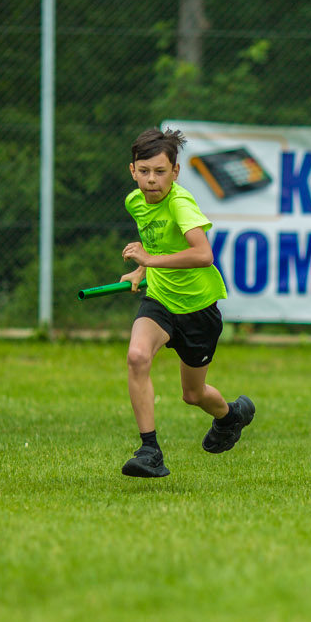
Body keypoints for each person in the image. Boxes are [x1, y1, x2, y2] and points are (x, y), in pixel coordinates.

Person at [118, 127, 254, 478]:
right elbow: (157, 243)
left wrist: (148, 260)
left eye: (160, 171)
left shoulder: (181, 203)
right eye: (144, 171)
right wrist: (141, 272)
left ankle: (231, 416)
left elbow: (203, 254)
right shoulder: (135, 201)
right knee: (137, 357)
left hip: (198, 310)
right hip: (160, 300)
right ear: (133, 170)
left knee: (193, 395)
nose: (151, 180)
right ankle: (150, 451)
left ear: (175, 172)